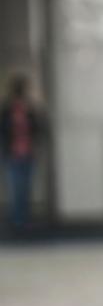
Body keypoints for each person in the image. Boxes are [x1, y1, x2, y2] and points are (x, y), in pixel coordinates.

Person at [2, 73, 47, 230]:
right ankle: (17, 220)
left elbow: (39, 128)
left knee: (26, 187)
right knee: (16, 187)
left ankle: (24, 219)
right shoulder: (7, 109)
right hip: (13, 154)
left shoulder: (30, 109)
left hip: (28, 152)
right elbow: (3, 130)